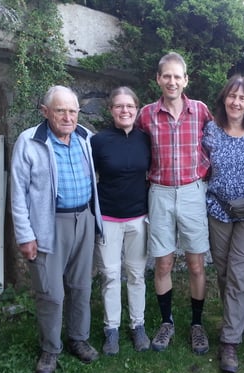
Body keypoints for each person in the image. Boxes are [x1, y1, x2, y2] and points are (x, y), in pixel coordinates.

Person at [10, 85, 103, 373]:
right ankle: (50, 349)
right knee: (50, 292)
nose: (67, 117)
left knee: (81, 286)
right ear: (45, 111)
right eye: (60, 110)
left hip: (84, 219)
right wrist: (25, 235)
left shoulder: (86, 137)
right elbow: (18, 193)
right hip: (48, 225)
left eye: (72, 111)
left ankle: (78, 338)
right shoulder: (29, 141)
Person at [136, 52, 213, 354]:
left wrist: (206, 168)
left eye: (177, 76)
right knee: (163, 262)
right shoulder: (146, 115)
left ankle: (197, 324)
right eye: (166, 76)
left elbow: (216, 141)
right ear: (158, 79)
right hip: (160, 193)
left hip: (193, 191)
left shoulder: (201, 111)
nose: (172, 81)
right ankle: (167, 321)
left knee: (196, 263)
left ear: (185, 80)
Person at [202, 75, 244, 373]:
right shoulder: (211, 130)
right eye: (232, 96)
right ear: (224, 99)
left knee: (240, 274)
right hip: (218, 209)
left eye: (242, 98)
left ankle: (230, 341)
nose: (236, 102)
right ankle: (234, 319)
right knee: (224, 271)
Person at [91, 87, 151, 355]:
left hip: (138, 217)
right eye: (119, 106)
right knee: (110, 275)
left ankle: (138, 325)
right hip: (108, 218)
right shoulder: (98, 141)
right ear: (111, 110)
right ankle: (111, 329)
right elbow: (89, 177)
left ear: (137, 109)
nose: (124, 110)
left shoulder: (145, 139)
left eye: (129, 106)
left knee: (137, 274)